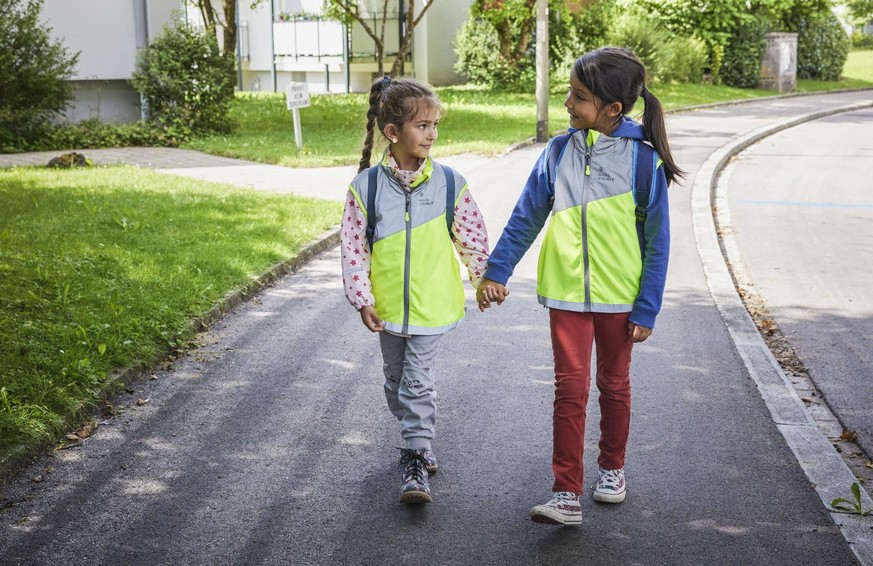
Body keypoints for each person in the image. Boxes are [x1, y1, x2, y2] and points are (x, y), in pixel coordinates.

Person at [477, 46, 682, 525]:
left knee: (613, 385)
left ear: (612, 109)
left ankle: (612, 469)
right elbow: (526, 216)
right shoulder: (557, 152)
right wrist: (497, 271)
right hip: (567, 292)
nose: (567, 103)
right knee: (569, 390)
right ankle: (565, 491)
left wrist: (647, 308)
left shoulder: (642, 162)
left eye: (579, 96)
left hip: (620, 299)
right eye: (570, 93)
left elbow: (658, 244)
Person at [341, 76, 490, 505]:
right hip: (387, 309)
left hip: (432, 306)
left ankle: (414, 459)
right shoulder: (365, 187)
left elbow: (471, 236)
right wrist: (363, 299)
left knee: (416, 384)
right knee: (395, 384)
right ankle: (419, 437)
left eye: (435, 125)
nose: (432, 134)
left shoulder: (448, 182)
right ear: (393, 132)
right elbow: (354, 249)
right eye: (422, 126)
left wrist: (483, 280)